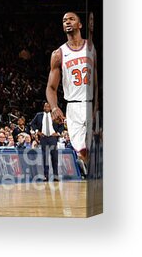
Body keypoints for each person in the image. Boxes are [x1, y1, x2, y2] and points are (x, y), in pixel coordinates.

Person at [45, 11, 98, 177]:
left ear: (80, 25)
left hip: (91, 102)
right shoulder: (58, 54)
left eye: (71, 19)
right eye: (64, 20)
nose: (67, 22)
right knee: (82, 151)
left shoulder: (92, 48)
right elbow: (51, 88)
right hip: (73, 106)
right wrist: (54, 108)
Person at [30, 102, 64, 181]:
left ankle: (56, 176)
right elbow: (32, 124)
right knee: (45, 157)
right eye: (46, 106)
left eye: (48, 106)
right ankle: (46, 175)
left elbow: (61, 125)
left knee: (54, 157)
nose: (47, 108)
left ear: (50, 108)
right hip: (43, 138)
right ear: (43, 107)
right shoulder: (39, 115)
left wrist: (58, 133)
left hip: (52, 138)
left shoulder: (54, 115)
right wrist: (37, 131)